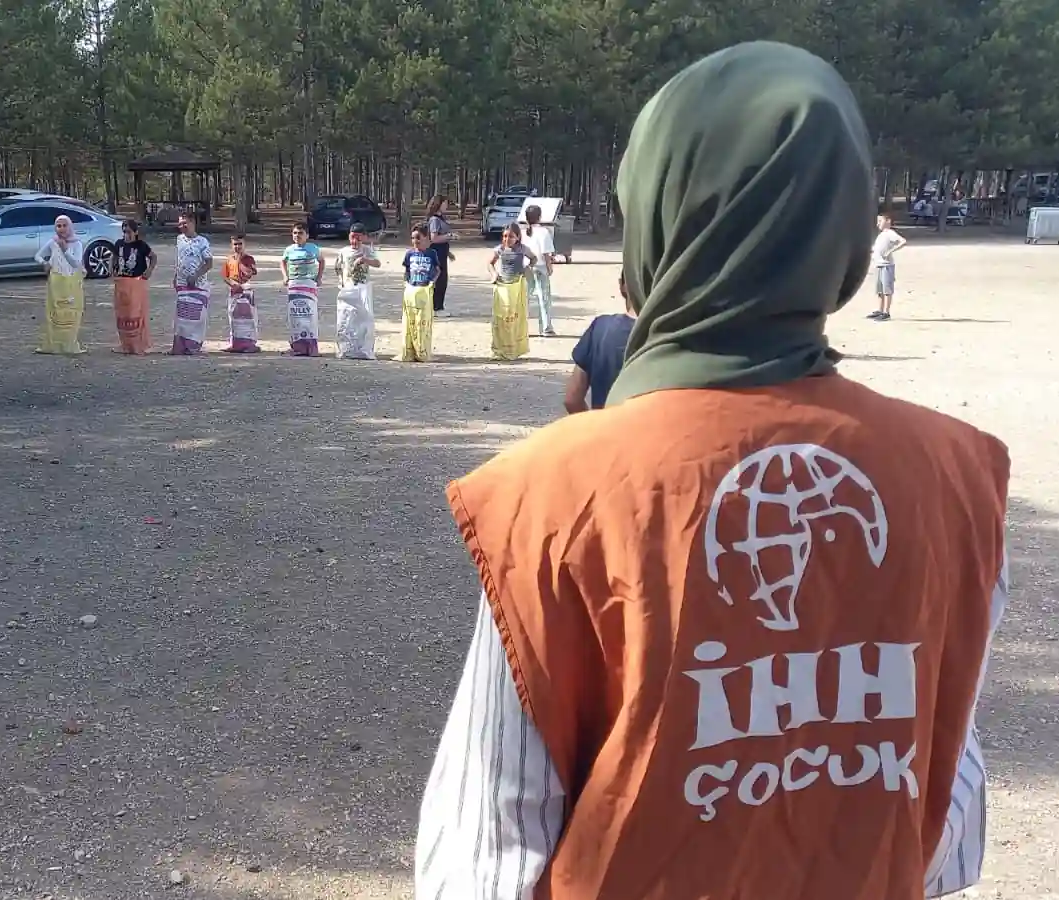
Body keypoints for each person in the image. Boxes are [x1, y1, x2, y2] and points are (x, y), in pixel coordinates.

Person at [418, 42, 1008, 900]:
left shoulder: (552, 496)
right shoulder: (955, 477)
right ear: (838, 229)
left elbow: (482, 859)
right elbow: (948, 837)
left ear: (656, 216)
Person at [563, 273, 637, 413]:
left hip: (607, 430)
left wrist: (594, 428)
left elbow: (572, 399)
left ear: (622, 285)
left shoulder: (600, 329)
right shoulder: (673, 334)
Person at [35, 215, 85, 355]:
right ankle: (53, 344)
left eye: (64, 225)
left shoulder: (77, 243)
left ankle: (69, 343)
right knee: (55, 312)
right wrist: (45, 263)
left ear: (70, 226)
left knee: (70, 312)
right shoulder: (53, 242)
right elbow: (38, 255)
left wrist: (65, 250)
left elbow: (76, 263)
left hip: (71, 282)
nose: (61, 229)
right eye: (58, 226)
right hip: (56, 281)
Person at [486, 223, 536, 360]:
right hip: (503, 286)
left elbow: (534, 258)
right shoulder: (500, 249)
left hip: (517, 286)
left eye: (511, 237)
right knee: (501, 318)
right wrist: (494, 274)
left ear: (518, 237)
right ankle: (499, 348)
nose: (507, 239)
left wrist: (528, 268)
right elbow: (490, 263)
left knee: (515, 318)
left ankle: (515, 347)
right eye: (505, 236)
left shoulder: (522, 249)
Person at [334, 224, 381, 360]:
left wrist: (365, 260)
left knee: (364, 318)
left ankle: (364, 349)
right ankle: (346, 348)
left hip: (363, 287)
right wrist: (341, 282)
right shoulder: (343, 251)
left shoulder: (367, 250)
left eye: (359, 238)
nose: (355, 241)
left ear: (364, 238)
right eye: (353, 237)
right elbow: (338, 268)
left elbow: (378, 263)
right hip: (348, 287)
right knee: (346, 317)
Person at [170, 212, 213, 355]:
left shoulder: (203, 242)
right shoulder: (179, 239)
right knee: (181, 316)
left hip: (198, 285)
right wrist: (176, 276)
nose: (181, 226)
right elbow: (179, 259)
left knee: (196, 317)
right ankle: (179, 347)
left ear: (193, 223)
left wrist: (195, 276)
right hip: (182, 283)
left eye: (184, 223)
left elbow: (209, 263)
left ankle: (194, 346)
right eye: (180, 223)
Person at [398, 226, 442, 362]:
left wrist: (432, 282)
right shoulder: (409, 254)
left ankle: (422, 351)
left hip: (424, 291)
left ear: (426, 238)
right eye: (412, 238)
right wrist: (406, 281)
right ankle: (409, 351)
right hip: (412, 290)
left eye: (418, 237)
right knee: (410, 322)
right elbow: (406, 271)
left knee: (422, 322)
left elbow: (438, 270)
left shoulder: (431, 253)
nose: (415, 241)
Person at [280, 222, 325, 356]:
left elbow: (321, 261)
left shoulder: (313, 248)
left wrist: (319, 277)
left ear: (307, 235)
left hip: (308, 284)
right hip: (294, 285)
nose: (297, 236)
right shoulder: (289, 249)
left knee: (309, 316)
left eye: (300, 233)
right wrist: (285, 276)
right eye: (294, 233)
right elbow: (283, 261)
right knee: (295, 316)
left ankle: (311, 348)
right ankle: (296, 347)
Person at [112, 219, 154, 354]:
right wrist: (112, 270)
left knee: (136, 313)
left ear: (136, 232)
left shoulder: (141, 245)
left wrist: (149, 271)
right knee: (123, 314)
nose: (126, 235)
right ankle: (125, 344)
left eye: (129, 232)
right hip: (122, 281)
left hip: (137, 282)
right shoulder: (119, 244)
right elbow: (114, 257)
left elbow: (153, 257)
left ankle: (138, 344)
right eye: (124, 232)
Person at [520, 204, 556, 335]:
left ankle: (521, 327)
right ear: (539, 217)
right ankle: (546, 327)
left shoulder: (523, 232)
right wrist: (549, 267)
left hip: (526, 267)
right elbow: (546, 253)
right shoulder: (544, 232)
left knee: (525, 298)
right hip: (540, 267)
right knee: (544, 297)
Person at [222, 234, 261, 353]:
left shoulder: (249, 259)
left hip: (246, 291)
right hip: (234, 291)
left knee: (249, 317)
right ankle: (235, 343)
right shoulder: (229, 260)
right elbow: (225, 276)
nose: (237, 246)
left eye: (240, 244)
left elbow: (252, 273)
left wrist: (243, 283)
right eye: (235, 244)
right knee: (233, 317)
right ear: (231, 245)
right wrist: (232, 284)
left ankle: (250, 343)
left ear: (244, 245)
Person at [871, 214, 907, 321]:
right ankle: (880, 310)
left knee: (887, 289)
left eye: (880, 221)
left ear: (888, 221)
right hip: (879, 265)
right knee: (879, 289)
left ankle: (886, 312)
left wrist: (890, 251)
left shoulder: (890, 233)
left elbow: (903, 241)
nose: (878, 224)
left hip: (887, 265)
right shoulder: (881, 235)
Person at [425, 196, 454, 316]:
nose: (446, 206)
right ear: (439, 204)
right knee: (439, 280)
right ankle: (436, 308)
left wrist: (448, 253)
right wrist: (450, 236)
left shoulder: (441, 218)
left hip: (442, 252)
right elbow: (434, 238)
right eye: (445, 203)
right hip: (436, 253)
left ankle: (438, 306)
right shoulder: (435, 220)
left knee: (442, 280)